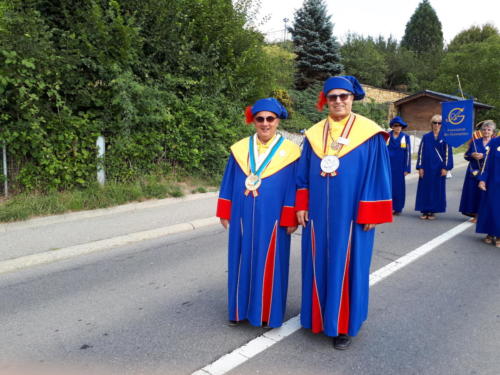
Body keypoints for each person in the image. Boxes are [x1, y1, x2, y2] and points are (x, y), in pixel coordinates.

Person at [295, 76, 392, 350]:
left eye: (343, 96)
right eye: (333, 97)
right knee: (317, 262)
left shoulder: (370, 134)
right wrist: (301, 204)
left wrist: (371, 212)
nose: (338, 101)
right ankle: (317, 318)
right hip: (317, 215)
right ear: (325, 100)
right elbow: (302, 175)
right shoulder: (314, 134)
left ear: (352, 98)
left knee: (350, 265)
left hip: (352, 216)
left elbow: (378, 176)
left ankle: (344, 327)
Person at [216, 98, 301, 328]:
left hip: (273, 218)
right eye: (260, 119)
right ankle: (239, 310)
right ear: (253, 121)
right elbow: (228, 182)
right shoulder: (240, 149)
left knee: (271, 262)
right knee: (241, 259)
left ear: (277, 121)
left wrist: (290, 216)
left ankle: (266, 314)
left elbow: (295, 187)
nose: (265, 124)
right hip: (242, 214)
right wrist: (225, 210)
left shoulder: (291, 152)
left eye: (270, 119)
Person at [415, 115, 453, 220]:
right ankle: (425, 210)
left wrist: (446, 167)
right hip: (426, 167)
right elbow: (421, 153)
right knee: (425, 189)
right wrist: (420, 167)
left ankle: (433, 211)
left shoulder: (445, 137)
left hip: (439, 168)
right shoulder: (426, 137)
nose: (437, 125)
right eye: (434, 122)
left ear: (442, 125)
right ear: (431, 124)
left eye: (439, 123)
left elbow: (447, 154)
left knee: (437, 190)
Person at [459, 120, 496, 222]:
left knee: (484, 193)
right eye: (484, 129)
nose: (486, 131)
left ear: (492, 132)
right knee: (473, 193)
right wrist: (472, 155)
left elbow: (496, 157)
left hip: (487, 173)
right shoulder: (475, 142)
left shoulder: (495, 143)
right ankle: (475, 214)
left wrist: (484, 156)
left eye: (489, 130)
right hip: (473, 171)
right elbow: (466, 155)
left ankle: (483, 215)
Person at [477, 134, 500, 248]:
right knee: (491, 207)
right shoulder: (494, 142)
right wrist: (482, 179)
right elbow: (486, 163)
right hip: (493, 182)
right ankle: (490, 232)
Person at [387, 116, 411, 215]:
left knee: (399, 188)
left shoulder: (405, 137)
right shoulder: (387, 136)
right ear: (392, 127)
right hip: (388, 166)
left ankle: (398, 208)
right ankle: (388, 207)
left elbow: (408, 153)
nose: (398, 128)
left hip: (400, 167)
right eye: (396, 126)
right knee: (388, 187)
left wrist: (407, 168)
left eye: (400, 126)